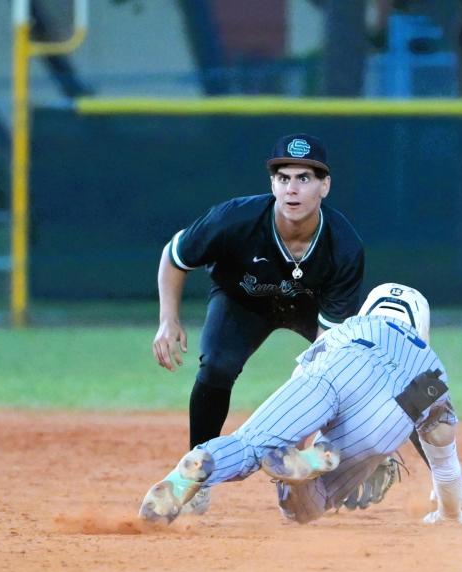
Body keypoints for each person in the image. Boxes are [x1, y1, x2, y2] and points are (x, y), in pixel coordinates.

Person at [140, 283, 462, 526]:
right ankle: (311, 468)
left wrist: (286, 444)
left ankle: (196, 468)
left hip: (339, 363)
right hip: (392, 408)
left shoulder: (348, 327)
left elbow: (301, 383)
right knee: (306, 508)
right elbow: (443, 456)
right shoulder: (431, 370)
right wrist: (449, 514)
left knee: (249, 444)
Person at [152, 133, 365, 513]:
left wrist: (301, 426)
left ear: (325, 186)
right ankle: (196, 475)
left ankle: (346, 460)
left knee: (348, 374)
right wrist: (168, 320)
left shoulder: (343, 246)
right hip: (241, 302)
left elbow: (327, 352)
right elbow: (175, 255)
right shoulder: (234, 219)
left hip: (307, 307)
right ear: (272, 184)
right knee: (216, 366)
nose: (292, 189)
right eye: (283, 178)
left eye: (305, 178)